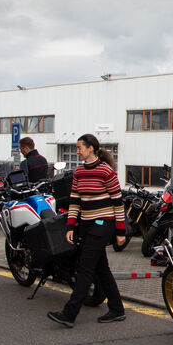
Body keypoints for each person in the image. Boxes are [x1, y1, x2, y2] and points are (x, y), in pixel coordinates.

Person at [48, 134, 126, 328]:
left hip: (103, 224)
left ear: (91, 148)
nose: (77, 151)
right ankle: (117, 309)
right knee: (102, 268)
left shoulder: (106, 171)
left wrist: (121, 231)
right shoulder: (79, 172)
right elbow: (75, 201)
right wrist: (70, 226)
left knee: (85, 267)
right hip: (87, 225)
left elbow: (118, 203)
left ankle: (69, 314)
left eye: (79, 148)